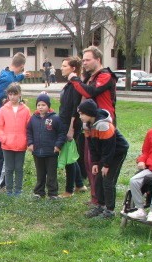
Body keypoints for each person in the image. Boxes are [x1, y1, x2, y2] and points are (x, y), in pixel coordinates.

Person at [68, 46, 118, 205]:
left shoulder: (105, 75)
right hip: (89, 124)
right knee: (90, 161)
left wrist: (74, 80)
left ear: (98, 60)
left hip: (104, 125)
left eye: (87, 60)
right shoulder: (90, 76)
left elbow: (89, 92)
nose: (84, 63)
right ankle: (95, 197)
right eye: (83, 60)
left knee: (101, 162)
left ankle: (102, 200)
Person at [78, 99, 128, 219]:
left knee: (108, 181)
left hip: (117, 152)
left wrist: (106, 165)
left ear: (89, 113)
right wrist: (95, 162)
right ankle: (100, 206)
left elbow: (109, 147)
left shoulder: (103, 125)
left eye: (82, 114)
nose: (80, 117)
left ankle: (109, 211)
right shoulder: (87, 125)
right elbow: (92, 145)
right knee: (99, 180)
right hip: (105, 153)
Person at [0, 53, 29, 189]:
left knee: (2, 156)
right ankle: (1, 183)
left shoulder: (7, 74)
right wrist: (2, 115)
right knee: (2, 156)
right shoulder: (7, 79)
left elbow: (14, 77)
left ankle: (2, 180)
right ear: (22, 66)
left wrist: (22, 76)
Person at [58, 56, 88, 198]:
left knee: (69, 156)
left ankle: (69, 190)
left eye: (65, 66)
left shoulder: (76, 85)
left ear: (73, 68)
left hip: (70, 124)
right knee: (71, 155)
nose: (62, 68)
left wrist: (70, 128)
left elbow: (75, 108)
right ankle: (80, 184)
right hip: (64, 122)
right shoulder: (70, 84)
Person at [26, 94, 65, 199]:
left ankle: (52, 193)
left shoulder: (55, 118)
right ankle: (39, 192)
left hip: (51, 152)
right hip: (37, 151)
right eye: (38, 105)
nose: (40, 107)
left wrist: (58, 145)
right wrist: (30, 143)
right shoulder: (33, 119)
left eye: (43, 105)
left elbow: (61, 133)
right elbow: (29, 131)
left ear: (48, 106)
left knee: (51, 174)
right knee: (40, 173)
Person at [0, 83, 31, 196]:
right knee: (9, 168)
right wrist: (3, 139)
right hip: (7, 145)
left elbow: (29, 127)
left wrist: (26, 140)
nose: (12, 97)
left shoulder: (25, 110)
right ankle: (9, 189)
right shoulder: (3, 109)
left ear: (19, 94)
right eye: (10, 94)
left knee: (19, 168)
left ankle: (18, 190)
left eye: (14, 94)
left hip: (21, 144)